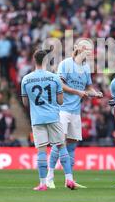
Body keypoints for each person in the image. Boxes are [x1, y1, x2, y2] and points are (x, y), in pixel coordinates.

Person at [46, 39, 103, 189]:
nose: (90, 52)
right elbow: (60, 84)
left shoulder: (86, 68)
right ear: (80, 49)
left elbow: (88, 87)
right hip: (62, 109)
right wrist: (77, 92)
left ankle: (68, 179)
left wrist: (95, 93)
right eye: (88, 49)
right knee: (59, 143)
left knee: (71, 146)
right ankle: (49, 176)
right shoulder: (66, 64)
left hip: (75, 111)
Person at [21, 49, 76, 191]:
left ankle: (42, 184)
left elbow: (25, 103)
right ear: (46, 60)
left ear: (34, 60)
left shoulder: (26, 79)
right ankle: (69, 179)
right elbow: (60, 100)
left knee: (41, 150)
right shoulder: (54, 78)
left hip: (37, 119)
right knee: (61, 146)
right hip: (53, 116)